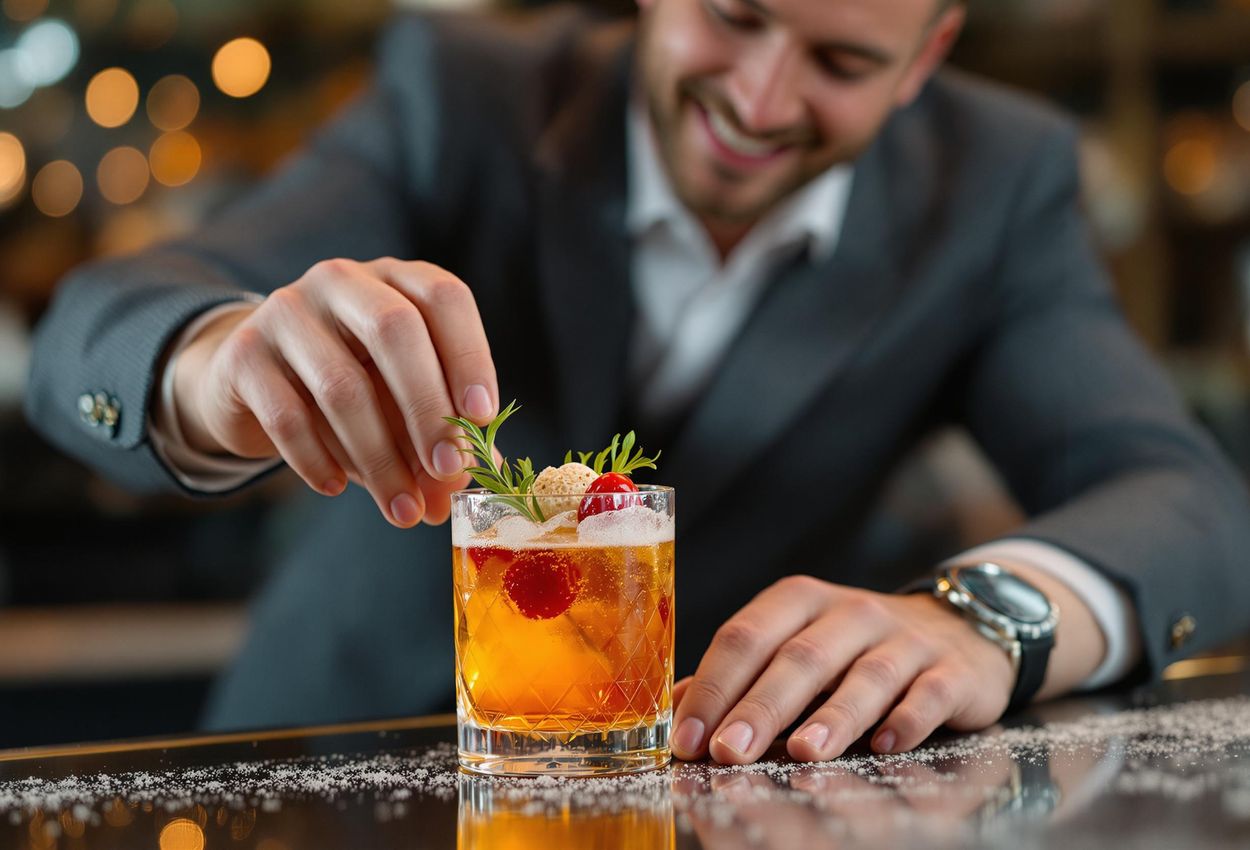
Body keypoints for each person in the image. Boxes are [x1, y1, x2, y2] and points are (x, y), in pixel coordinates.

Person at [25, 0, 1250, 765]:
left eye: (837, 58)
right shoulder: (461, 94)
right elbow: (100, 332)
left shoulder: (994, 185)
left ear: (923, 56)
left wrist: (982, 621)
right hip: (329, 774)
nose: (758, 100)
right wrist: (218, 361)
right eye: (732, 16)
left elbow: (1183, 497)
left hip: (693, 798)